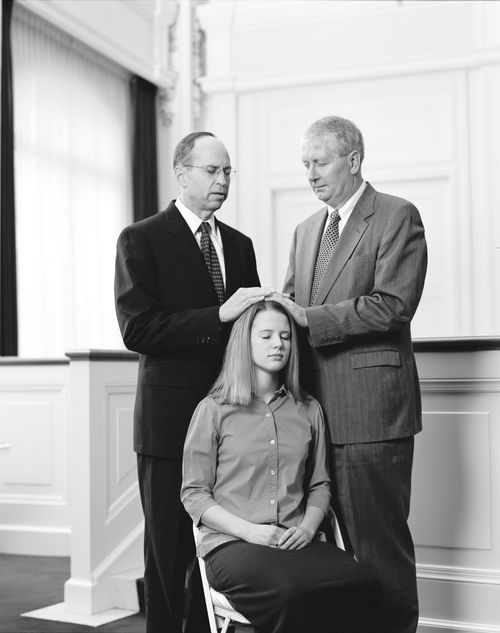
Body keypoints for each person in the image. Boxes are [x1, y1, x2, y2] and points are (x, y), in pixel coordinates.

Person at [272, 115, 427, 633]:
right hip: (311, 413)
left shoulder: (396, 215)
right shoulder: (305, 229)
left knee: (377, 546)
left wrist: (309, 318)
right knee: (327, 549)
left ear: (353, 160)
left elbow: (392, 306)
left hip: (370, 412)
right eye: (305, 165)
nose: (311, 175)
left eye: (320, 162)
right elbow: (292, 307)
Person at [114, 131, 271, 633]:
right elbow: (137, 329)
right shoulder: (141, 239)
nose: (223, 180)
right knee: (168, 552)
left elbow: (247, 334)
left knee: (220, 549)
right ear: (181, 173)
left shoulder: (241, 245)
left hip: (234, 421)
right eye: (212, 171)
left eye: (228, 171)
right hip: (169, 425)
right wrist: (217, 315)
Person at [181, 299, 378, 633]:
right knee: (291, 594)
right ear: (245, 342)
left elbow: (319, 485)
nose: (278, 344)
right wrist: (250, 531)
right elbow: (194, 494)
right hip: (232, 544)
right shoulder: (213, 409)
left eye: (286, 336)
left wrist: (306, 528)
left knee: (360, 582)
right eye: (267, 335)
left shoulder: (308, 408)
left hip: (294, 539)